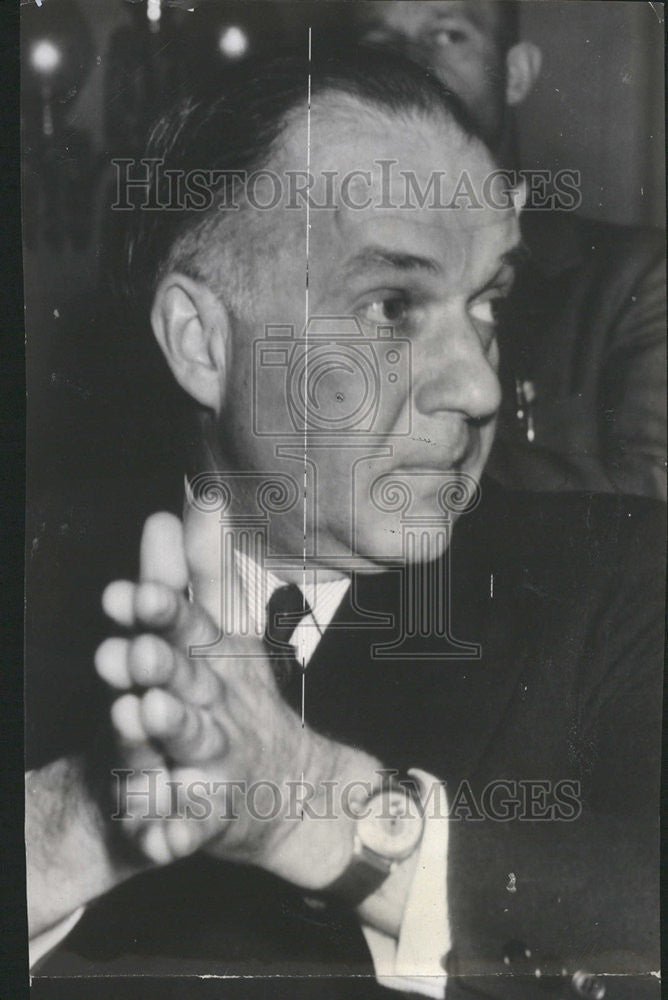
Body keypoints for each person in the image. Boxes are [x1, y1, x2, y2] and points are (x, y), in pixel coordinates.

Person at [26, 49, 662, 1000]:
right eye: (393, 305)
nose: (480, 384)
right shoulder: (38, 588)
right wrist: (73, 819)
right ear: (202, 343)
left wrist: (314, 811)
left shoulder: (624, 580)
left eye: (488, 301)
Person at [352, 0, 666, 499]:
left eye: (448, 34)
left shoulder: (636, 279)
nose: (407, 59)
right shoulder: (320, 272)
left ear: (516, 74)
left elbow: (651, 499)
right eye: (378, 42)